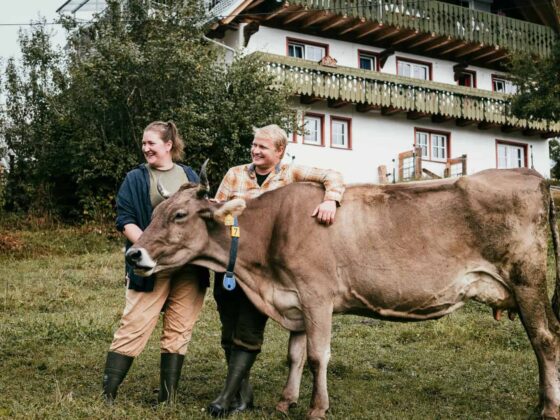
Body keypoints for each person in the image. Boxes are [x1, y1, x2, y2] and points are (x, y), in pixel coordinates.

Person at [207, 124, 345, 416]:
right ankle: (242, 392)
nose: (255, 151)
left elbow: (331, 175)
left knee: (249, 329)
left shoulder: (290, 174)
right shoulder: (234, 174)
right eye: (254, 145)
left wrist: (331, 198)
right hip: (232, 262)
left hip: (267, 269)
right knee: (228, 329)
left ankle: (229, 396)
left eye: (263, 147)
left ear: (280, 152)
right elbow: (216, 211)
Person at [102, 121, 209, 404]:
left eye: (151, 143)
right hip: (150, 266)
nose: (146, 148)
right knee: (135, 323)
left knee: (179, 327)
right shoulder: (136, 178)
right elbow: (125, 220)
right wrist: (147, 251)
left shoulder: (190, 176)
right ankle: (108, 393)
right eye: (144, 143)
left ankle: (167, 396)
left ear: (168, 145)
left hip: (189, 268)